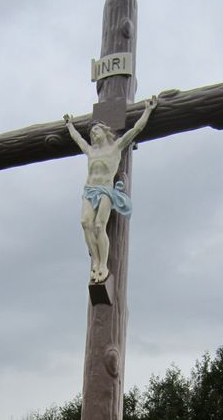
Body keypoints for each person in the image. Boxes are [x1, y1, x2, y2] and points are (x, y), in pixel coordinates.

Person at [64, 96, 158, 283]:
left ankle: (103, 264)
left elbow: (136, 129)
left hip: (105, 190)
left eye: (96, 131)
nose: (93, 135)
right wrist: (69, 126)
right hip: (89, 190)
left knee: (99, 225)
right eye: (91, 133)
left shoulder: (116, 147)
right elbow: (77, 139)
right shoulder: (91, 151)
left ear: (104, 131)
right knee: (85, 223)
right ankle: (96, 261)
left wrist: (148, 110)